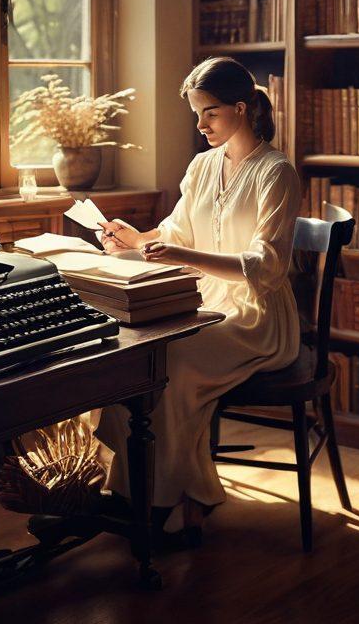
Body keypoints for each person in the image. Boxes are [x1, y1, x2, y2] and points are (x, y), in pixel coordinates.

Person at [94, 56, 303, 543]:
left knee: (173, 360)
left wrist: (181, 253)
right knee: (133, 354)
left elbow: (266, 267)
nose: (200, 123)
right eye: (196, 113)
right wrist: (134, 239)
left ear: (241, 107)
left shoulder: (278, 173)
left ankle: (165, 503)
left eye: (208, 112)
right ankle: (136, 492)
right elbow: (174, 233)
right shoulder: (202, 166)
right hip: (203, 302)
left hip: (257, 317)